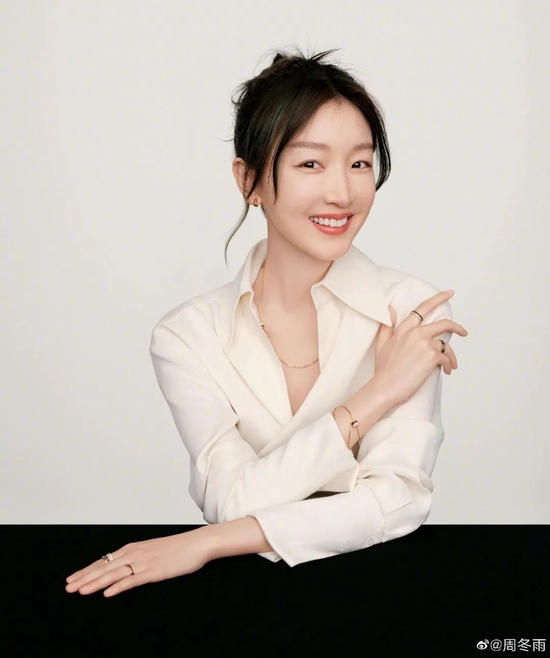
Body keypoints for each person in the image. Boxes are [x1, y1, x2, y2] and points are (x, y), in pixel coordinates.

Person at [65, 47, 468, 597]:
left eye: (359, 163)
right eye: (310, 164)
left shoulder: (411, 310)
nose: (342, 193)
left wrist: (204, 543)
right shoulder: (188, 337)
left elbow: (397, 500)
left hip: (382, 595)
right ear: (249, 180)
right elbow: (231, 502)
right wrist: (379, 394)